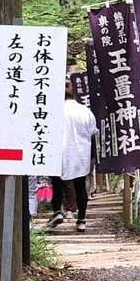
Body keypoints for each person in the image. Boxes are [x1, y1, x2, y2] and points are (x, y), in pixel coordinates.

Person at [49, 77, 97, 233]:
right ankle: (81, 219)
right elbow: (92, 131)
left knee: (57, 183)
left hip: (59, 153)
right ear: (73, 89)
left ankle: (57, 211)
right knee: (80, 186)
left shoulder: (52, 111)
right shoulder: (84, 111)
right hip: (80, 154)